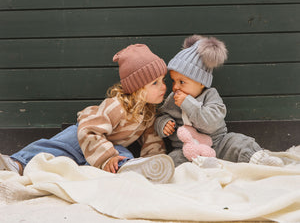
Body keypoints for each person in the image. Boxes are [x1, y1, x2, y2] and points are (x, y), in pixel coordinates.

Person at [0, 44, 175, 183]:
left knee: (122, 154)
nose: (164, 87)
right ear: (137, 88)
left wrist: (155, 159)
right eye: (155, 83)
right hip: (81, 135)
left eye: (162, 80)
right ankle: (16, 163)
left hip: (103, 146)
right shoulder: (117, 106)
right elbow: (89, 130)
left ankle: (135, 168)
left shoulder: (148, 114)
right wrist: (107, 158)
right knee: (51, 147)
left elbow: (152, 139)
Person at [155, 34, 285, 168]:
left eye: (182, 82)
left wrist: (187, 103)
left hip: (217, 144)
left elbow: (210, 123)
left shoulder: (211, 96)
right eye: (173, 81)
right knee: (174, 158)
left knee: (238, 142)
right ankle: (164, 170)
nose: (175, 87)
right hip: (187, 150)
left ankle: (259, 159)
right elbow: (162, 115)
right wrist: (164, 124)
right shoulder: (172, 98)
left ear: (201, 82)